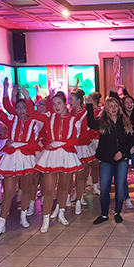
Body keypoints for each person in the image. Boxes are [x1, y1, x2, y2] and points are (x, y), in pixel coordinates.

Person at [0, 80, 44, 237]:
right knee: (8, 191)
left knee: (27, 188)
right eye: (19, 108)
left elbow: (34, 144)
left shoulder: (36, 122)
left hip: (27, 158)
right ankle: (1, 223)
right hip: (12, 159)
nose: (21, 110)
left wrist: (16, 144)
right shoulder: (11, 120)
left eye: (24, 107)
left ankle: (23, 216)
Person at [28, 90, 82, 233]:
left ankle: (62, 213)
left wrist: (60, 144)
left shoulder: (73, 119)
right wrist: (28, 98)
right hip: (51, 155)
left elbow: (75, 139)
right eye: (54, 104)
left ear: (65, 104)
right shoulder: (49, 117)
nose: (57, 106)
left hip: (66, 154)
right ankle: (45, 219)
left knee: (65, 187)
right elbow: (33, 114)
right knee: (49, 189)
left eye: (59, 103)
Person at [87, 97, 134, 224]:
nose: (113, 108)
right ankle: (104, 214)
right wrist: (89, 106)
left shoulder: (125, 121)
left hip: (121, 159)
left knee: (120, 188)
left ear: (119, 107)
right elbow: (90, 123)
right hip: (106, 160)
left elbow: (130, 140)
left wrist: (122, 153)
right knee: (105, 188)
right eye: (110, 106)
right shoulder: (103, 122)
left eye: (115, 106)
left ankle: (118, 212)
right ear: (106, 108)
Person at [68, 89, 93, 214]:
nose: (69, 102)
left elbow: (85, 132)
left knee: (80, 175)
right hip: (70, 146)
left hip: (81, 146)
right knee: (67, 175)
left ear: (78, 101)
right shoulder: (68, 112)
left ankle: (78, 199)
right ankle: (68, 197)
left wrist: (75, 139)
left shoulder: (85, 113)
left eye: (71, 99)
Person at [86, 92, 103, 196]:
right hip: (88, 140)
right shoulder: (87, 111)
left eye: (89, 100)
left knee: (96, 164)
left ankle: (96, 185)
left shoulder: (101, 112)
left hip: (97, 140)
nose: (87, 102)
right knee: (88, 165)